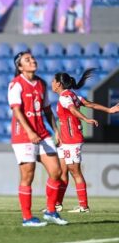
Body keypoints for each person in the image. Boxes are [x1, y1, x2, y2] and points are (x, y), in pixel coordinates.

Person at [8, 51, 68, 227]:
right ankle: (27, 218)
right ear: (20, 67)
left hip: (42, 133)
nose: (32, 60)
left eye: (33, 58)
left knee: (56, 172)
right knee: (28, 175)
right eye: (27, 60)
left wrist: (56, 130)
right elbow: (17, 111)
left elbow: (47, 110)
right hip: (23, 135)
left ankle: (51, 211)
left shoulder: (41, 83)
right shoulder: (16, 84)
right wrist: (30, 132)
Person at [51, 69, 119, 213]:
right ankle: (57, 204)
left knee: (75, 172)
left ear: (58, 84)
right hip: (65, 140)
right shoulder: (73, 95)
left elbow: (73, 110)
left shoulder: (65, 97)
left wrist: (86, 119)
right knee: (62, 172)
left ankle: (84, 206)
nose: (51, 83)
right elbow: (89, 104)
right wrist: (109, 110)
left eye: (53, 81)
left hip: (72, 139)